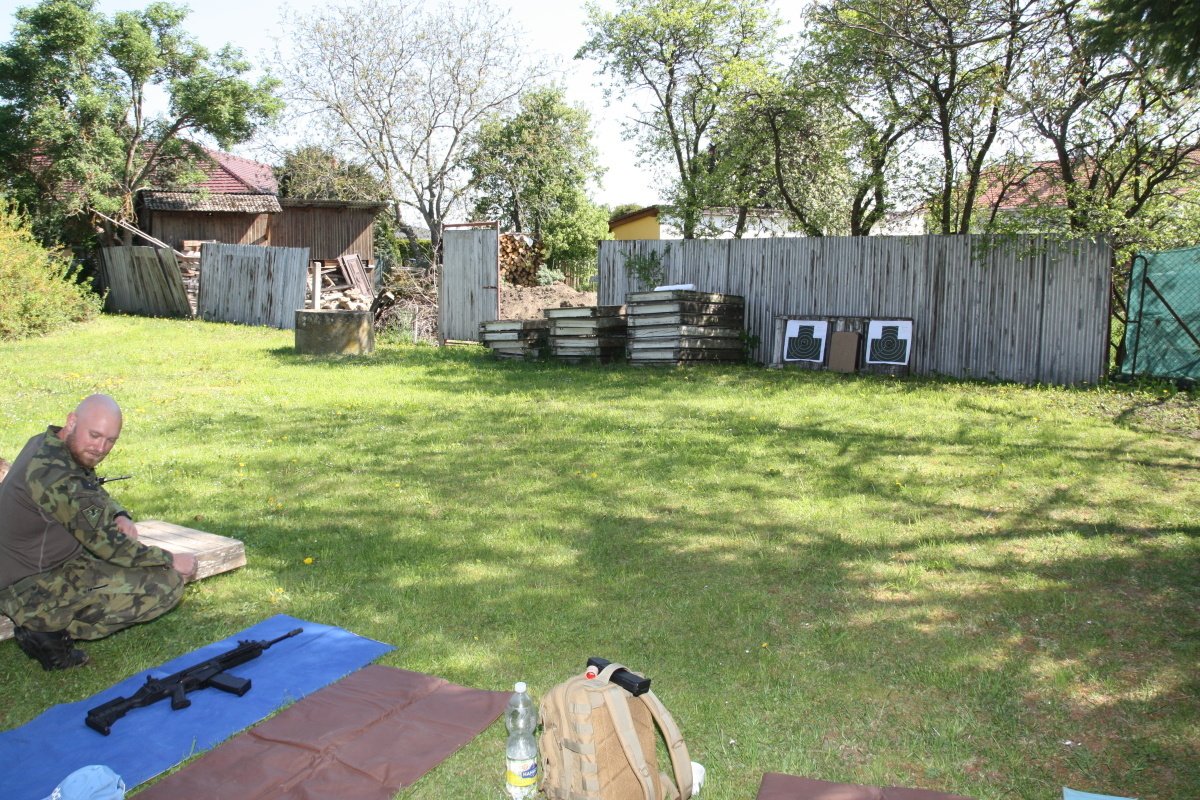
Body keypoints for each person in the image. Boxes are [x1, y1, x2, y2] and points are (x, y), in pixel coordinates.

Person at [0, 394, 197, 670]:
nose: (100, 448)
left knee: (133, 570)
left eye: (110, 440)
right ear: (72, 421)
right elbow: (110, 546)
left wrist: (118, 513)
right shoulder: (56, 476)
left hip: (46, 564)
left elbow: (88, 487)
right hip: (28, 585)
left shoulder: (48, 444)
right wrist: (171, 559)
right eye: (94, 435)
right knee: (166, 583)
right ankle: (45, 626)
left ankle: (51, 615)